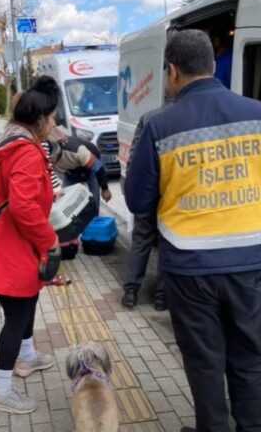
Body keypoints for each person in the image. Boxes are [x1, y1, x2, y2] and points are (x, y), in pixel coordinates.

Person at [125, 29, 261, 431]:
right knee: (251, 357)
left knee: (204, 364)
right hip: (250, 264)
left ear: (172, 70)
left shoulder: (160, 126)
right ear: (210, 64)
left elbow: (137, 202)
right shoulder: (257, 114)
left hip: (189, 267)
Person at [0, 76, 59, 414]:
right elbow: (23, 205)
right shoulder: (25, 151)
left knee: (27, 302)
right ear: (38, 120)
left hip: (12, 243)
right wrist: (49, 241)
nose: (54, 124)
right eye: (51, 118)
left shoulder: (12, 139)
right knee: (16, 315)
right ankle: (2, 391)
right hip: (13, 247)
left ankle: (27, 357)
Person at [121, 102, 173, 312]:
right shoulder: (188, 117)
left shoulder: (149, 116)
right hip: (172, 192)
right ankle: (162, 297)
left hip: (148, 191)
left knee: (141, 240)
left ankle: (131, 292)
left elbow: (134, 157)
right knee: (166, 243)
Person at [47, 130, 112, 211]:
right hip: (70, 171)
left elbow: (98, 168)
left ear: (56, 151)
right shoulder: (45, 158)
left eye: (52, 159)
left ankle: (94, 216)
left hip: (89, 165)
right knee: (65, 200)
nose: (51, 162)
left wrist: (105, 188)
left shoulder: (77, 150)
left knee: (93, 200)